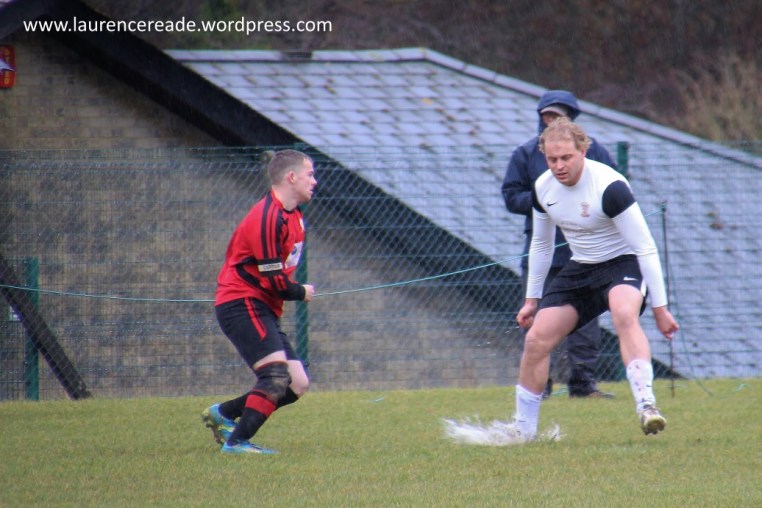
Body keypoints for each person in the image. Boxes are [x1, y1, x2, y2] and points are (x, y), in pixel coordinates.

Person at [514, 118, 678, 439]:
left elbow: (645, 247)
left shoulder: (609, 186)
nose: (559, 166)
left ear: (583, 151)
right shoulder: (543, 188)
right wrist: (532, 300)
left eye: (566, 158)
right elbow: (542, 244)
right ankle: (523, 433)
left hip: (623, 263)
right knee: (535, 340)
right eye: (552, 159)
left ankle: (647, 406)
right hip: (581, 267)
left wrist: (660, 309)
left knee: (624, 314)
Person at [202, 149, 317, 454]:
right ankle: (236, 443)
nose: (314, 181)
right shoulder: (267, 218)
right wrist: (301, 292)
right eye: (309, 175)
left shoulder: (295, 216)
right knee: (275, 377)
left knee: (297, 383)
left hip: (262, 307)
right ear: (291, 177)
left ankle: (223, 413)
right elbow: (273, 281)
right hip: (241, 303)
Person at [502, 90, 616, 398]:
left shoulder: (595, 152)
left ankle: (582, 384)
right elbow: (511, 196)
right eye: (547, 114)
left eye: (559, 114)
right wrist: (543, 201)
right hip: (543, 253)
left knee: (586, 321)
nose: (552, 120)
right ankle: (539, 387)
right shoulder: (525, 154)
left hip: (586, 251)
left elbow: (614, 188)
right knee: (537, 321)